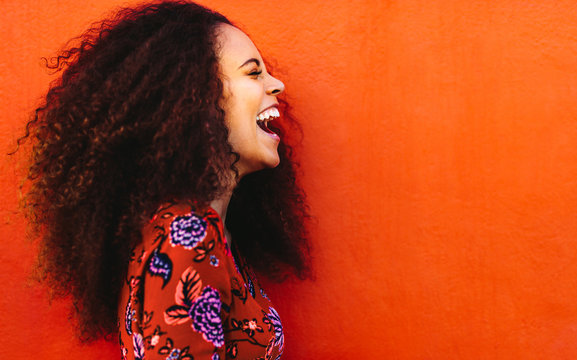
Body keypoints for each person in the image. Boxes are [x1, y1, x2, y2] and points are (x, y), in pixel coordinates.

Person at [19, 1, 311, 359]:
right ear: (196, 97)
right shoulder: (186, 234)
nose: (277, 84)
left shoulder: (201, 232)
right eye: (253, 73)